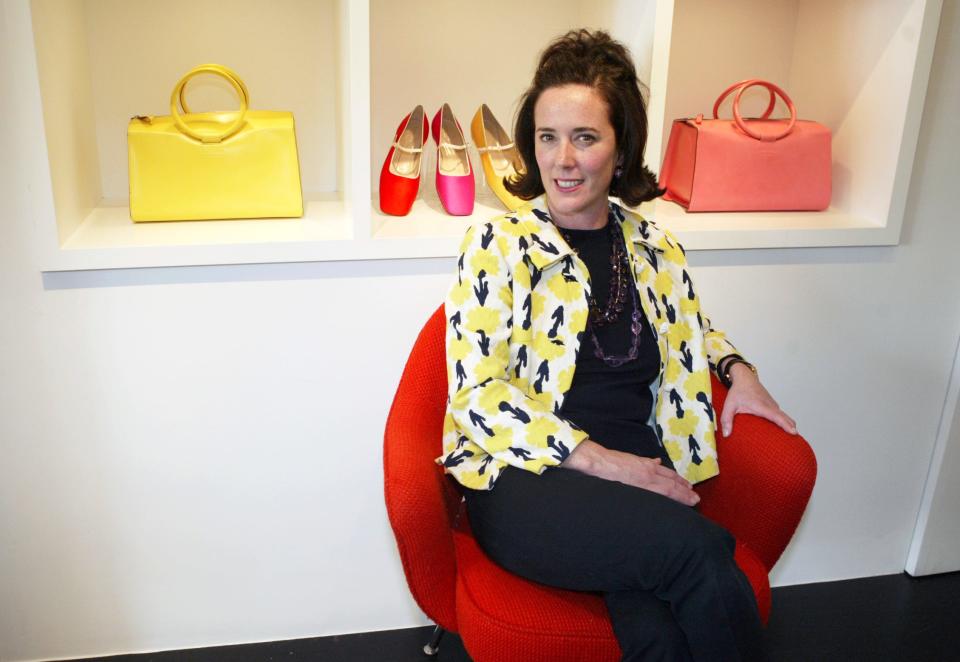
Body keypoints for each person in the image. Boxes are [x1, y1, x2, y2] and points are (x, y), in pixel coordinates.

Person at [437, 29, 797, 662]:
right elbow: (477, 393)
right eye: (548, 138)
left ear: (621, 149)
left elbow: (691, 327)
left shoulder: (653, 245)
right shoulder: (498, 245)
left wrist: (739, 369)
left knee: (659, 631)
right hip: (529, 476)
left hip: (636, 472)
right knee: (698, 552)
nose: (562, 160)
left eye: (585, 137)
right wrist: (602, 460)